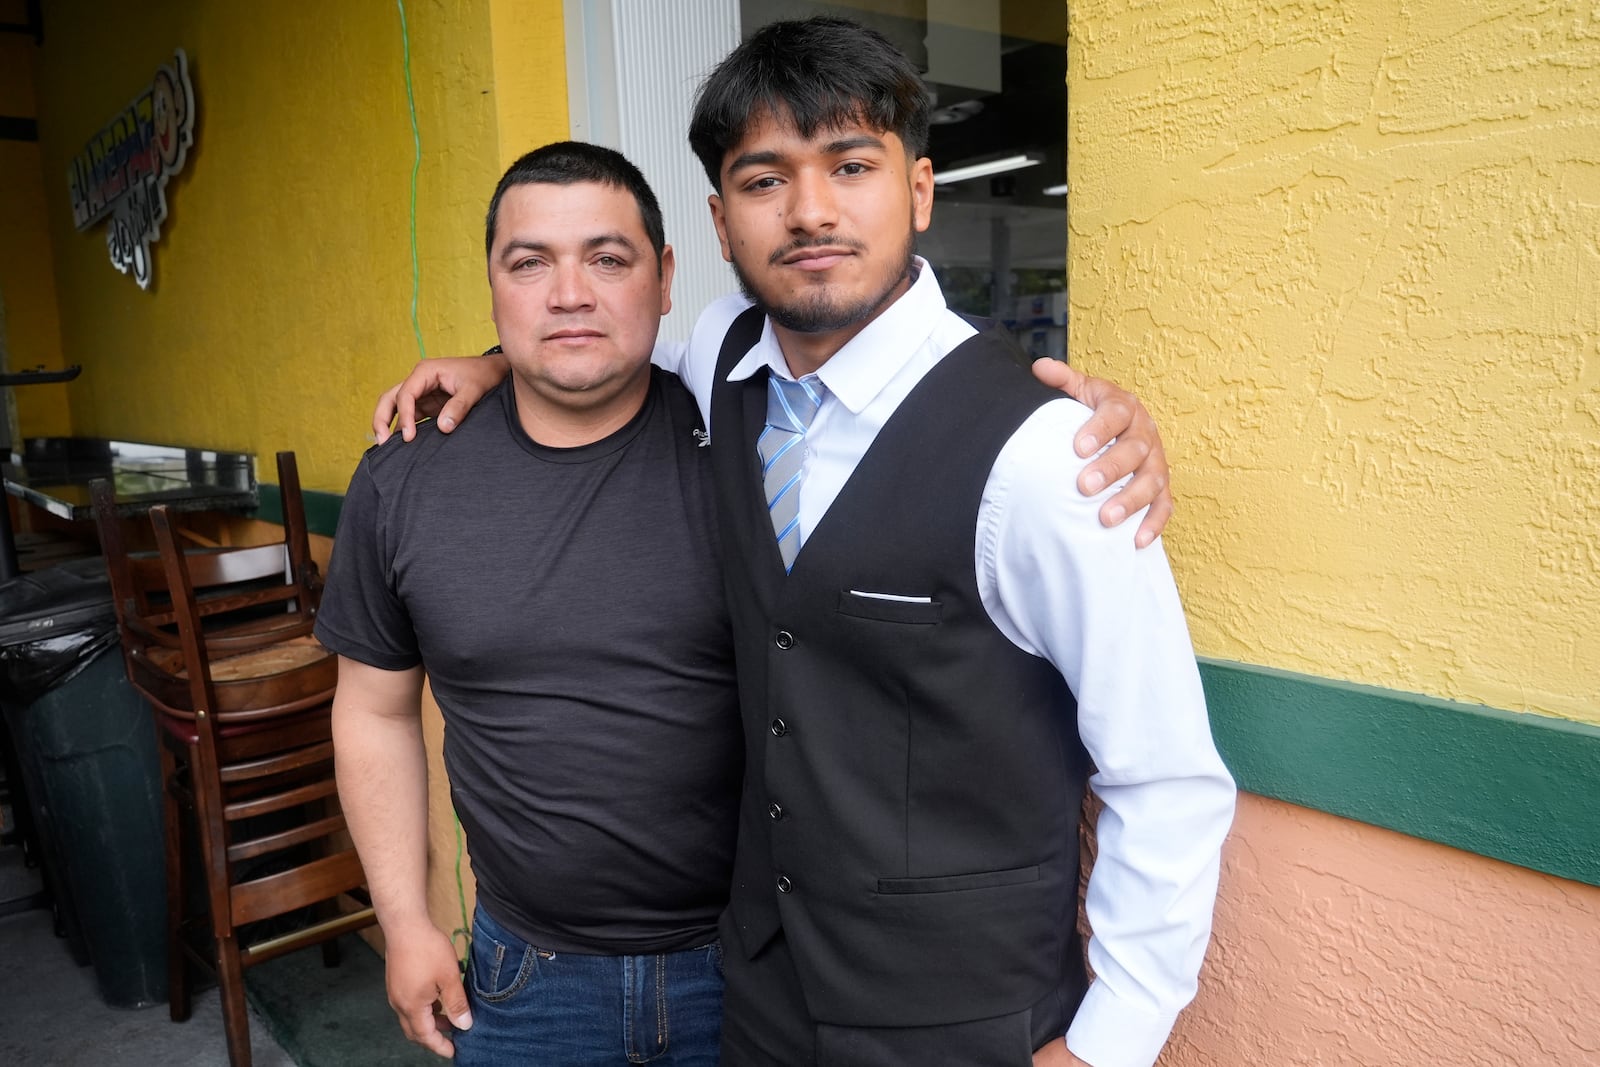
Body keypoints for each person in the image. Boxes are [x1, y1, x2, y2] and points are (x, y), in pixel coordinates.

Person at [373, 17, 1235, 1067]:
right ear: (722, 223)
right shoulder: (718, 361)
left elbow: (1164, 775)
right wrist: (489, 364)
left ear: (917, 191)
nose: (812, 210)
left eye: (851, 164)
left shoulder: (1050, 458)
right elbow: (586, 338)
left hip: (965, 1020)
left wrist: (1109, 1041)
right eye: (765, 178)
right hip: (763, 1000)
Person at [318, 144, 739, 1065]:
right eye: (530, 262)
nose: (570, 293)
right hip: (525, 982)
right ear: (495, 286)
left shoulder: (753, 450)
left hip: (753, 971)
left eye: (608, 258)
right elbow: (373, 710)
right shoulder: (405, 477)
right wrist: (405, 921)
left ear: (665, 279)